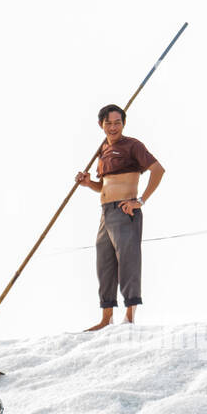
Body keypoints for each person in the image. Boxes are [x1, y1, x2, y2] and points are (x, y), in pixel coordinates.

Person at [74, 104, 165, 331]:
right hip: (105, 212)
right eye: (109, 123)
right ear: (101, 124)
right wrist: (88, 183)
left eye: (118, 122)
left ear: (123, 124)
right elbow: (104, 185)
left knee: (128, 260)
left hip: (126, 210)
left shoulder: (132, 145)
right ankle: (106, 318)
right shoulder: (102, 150)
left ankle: (130, 316)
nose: (113, 127)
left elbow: (158, 170)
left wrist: (140, 200)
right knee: (104, 263)